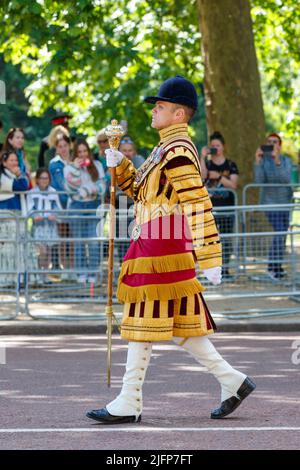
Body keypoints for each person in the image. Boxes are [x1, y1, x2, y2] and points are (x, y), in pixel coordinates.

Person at [86, 76, 256, 424]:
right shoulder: (164, 148)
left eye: (160, 106)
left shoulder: (177, 150)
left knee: (141, 319)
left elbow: (196, 201)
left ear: (179, 113)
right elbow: (138, 192)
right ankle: (232, 381)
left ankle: (130, 399)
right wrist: (119, 164)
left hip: (162, 243)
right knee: (181, 328)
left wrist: (210, 254)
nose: (154, 110)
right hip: (157, 239)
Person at [64, 139, 106, 283]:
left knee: (93, 241)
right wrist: (75, 169)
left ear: (88, 151)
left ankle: (93, 272)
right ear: (75, 154)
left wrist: (88, 189)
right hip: (76, 206)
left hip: (94, 205)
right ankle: (81, 273)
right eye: (79, 152)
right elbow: (70, 189)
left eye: (84, 151)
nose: (82, 154)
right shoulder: (69, 168)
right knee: (79, 242)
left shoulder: (98, 166)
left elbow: (102, 187)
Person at [200, 131, 239, 279]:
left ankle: (225, 269)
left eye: (217, 145)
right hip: (210, 208)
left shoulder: (231, 164)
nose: (215, 148)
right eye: (212, 146)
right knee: (209, 240)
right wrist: (202, 157)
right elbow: (202, 176)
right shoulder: (208, 164)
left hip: (227, 208)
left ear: (223, 147)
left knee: (226, 239)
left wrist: (220, 177)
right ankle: (210, 271)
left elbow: (234, 185)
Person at [254, 132, 293, 280]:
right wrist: (257, 161)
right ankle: (271, 266)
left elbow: (285, 178)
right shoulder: (263, 161)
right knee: (280, 231)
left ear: (280, 145)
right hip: (269, 204)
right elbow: (259, 181)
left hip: (285, 203)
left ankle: (278, 267)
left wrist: (277, 161)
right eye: (269, 141)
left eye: (275, 142)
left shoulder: (286, 161)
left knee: (282, 235)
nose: (272, 144)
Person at [27, 168, 62, 283]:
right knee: (42, 251)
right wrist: (35, 216)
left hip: (50, 226)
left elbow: (57, 207)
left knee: (49, 252)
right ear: (37, 179)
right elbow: (30, 208)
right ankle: (39, 273)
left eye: (46, 178)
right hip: (39, 226)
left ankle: (45, 275)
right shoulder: (32, 192)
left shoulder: (53, 191)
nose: (44, 180)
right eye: (42, 178)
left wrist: (54, 214)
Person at [0, 150, 30, 286]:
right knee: (8, 249)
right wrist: (20, 174)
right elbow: (23, 186)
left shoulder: (14, 176)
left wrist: (20, 174)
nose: (14, 163)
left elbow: (27, 186)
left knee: (19, 248)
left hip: (18, 216)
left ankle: (19, 278)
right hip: (7, 217)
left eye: (16, 160)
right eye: (11, 160)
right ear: (4, 162)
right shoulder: (2, 177)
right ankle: (6, 278)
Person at [116, 137, 145, 265]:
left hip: (136, 203)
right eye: (124, 150)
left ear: (134, 152)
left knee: (137, 236)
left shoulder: (140, 162)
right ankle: (123, 266)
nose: (127, 153)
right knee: (122, 237)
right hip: (121, 202)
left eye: (129, 150)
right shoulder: (114, 162)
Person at [49, 134, 72, 274]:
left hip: (75, 204)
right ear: (56, 148)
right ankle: (64, 269)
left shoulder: (75, 161)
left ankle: (72, 269)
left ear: (69, 146)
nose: (63, 149)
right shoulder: (54, 164)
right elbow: (59, 185)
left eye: (65, 145)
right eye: (60, 146)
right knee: (63, 238)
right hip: (61, 205)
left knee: (73, 239)